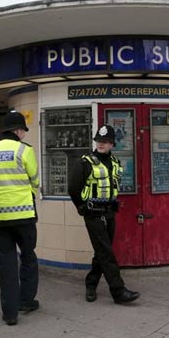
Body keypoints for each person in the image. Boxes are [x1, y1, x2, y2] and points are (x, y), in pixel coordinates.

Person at [67, 125, 140, 304]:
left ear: (112, 144)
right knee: (106, 252)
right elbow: (73, 188)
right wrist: (81, 207)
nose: (101, 144)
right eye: (99, 140)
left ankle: (91, 284)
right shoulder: (85, 162)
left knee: (102, 252)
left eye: (105, 141)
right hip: (92, 214)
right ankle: (118, 291)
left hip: (109, 212)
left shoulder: (115, 162)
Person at [0, 110, 40, 326]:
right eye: (23, 130)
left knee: (5, 264)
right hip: (24, 215)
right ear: (17, 131)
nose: (24, 133)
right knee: (28, 257)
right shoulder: (25, 150)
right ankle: (26, 301)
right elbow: (34, 180)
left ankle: (9, 313)